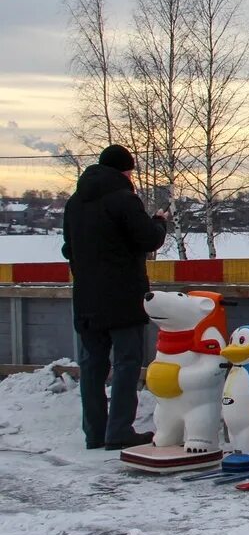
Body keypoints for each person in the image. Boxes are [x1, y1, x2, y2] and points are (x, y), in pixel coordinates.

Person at [62, 145, 169, 450]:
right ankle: (119, 431)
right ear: (125, 171)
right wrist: (159, 222)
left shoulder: (74, 204)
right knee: (126, 363)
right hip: (122, 297)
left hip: (86, 298)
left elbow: (69, 249)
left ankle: (94, 432)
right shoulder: (124, 200)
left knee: (92, 367)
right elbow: (148, 239)